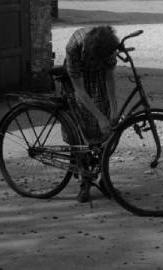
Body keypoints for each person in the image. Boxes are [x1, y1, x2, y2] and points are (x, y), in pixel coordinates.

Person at [64, 25, 120, 202]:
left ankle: (105, 180)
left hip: (98, 82)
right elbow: (78, 88)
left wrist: (114, 109)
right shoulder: (74, 46)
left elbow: (109, 77)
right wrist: (99, 117)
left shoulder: (108, 47)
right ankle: (84, 182)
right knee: (81, 134)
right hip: (77, 82)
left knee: (107, 134)